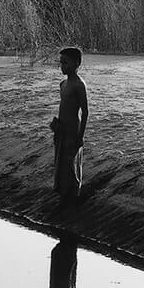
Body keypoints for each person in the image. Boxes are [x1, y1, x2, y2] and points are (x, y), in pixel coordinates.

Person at [49, 47, 88, 202]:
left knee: (71, 164)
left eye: (66, 63)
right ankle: (63, 194)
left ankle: (74, 196)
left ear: (77, 63)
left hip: (73, 130)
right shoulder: (63, 84)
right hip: (62, 129)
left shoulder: (79, 85)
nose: (62, 67)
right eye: (61, 63)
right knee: (61, 162)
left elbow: (85, 112)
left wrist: (80, 136)